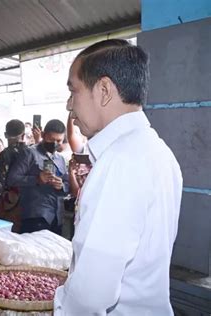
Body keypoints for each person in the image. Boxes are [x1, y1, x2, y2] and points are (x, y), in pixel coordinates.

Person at [53, 39, 182, 316]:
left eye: (73, 91)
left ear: (103, 90)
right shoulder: (157, 150)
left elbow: (90, 295)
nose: (69, 105)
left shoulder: (120, 161)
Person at [7, 119, 69, 234]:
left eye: (59, 141)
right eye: (51, 139)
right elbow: (12, 179)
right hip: (35, 216)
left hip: (57, 218)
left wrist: (61, 185)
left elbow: (67, 184)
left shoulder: (60, 159)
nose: (55, 144)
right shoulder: (29, 153)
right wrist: (37, 179)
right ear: (44, 135)